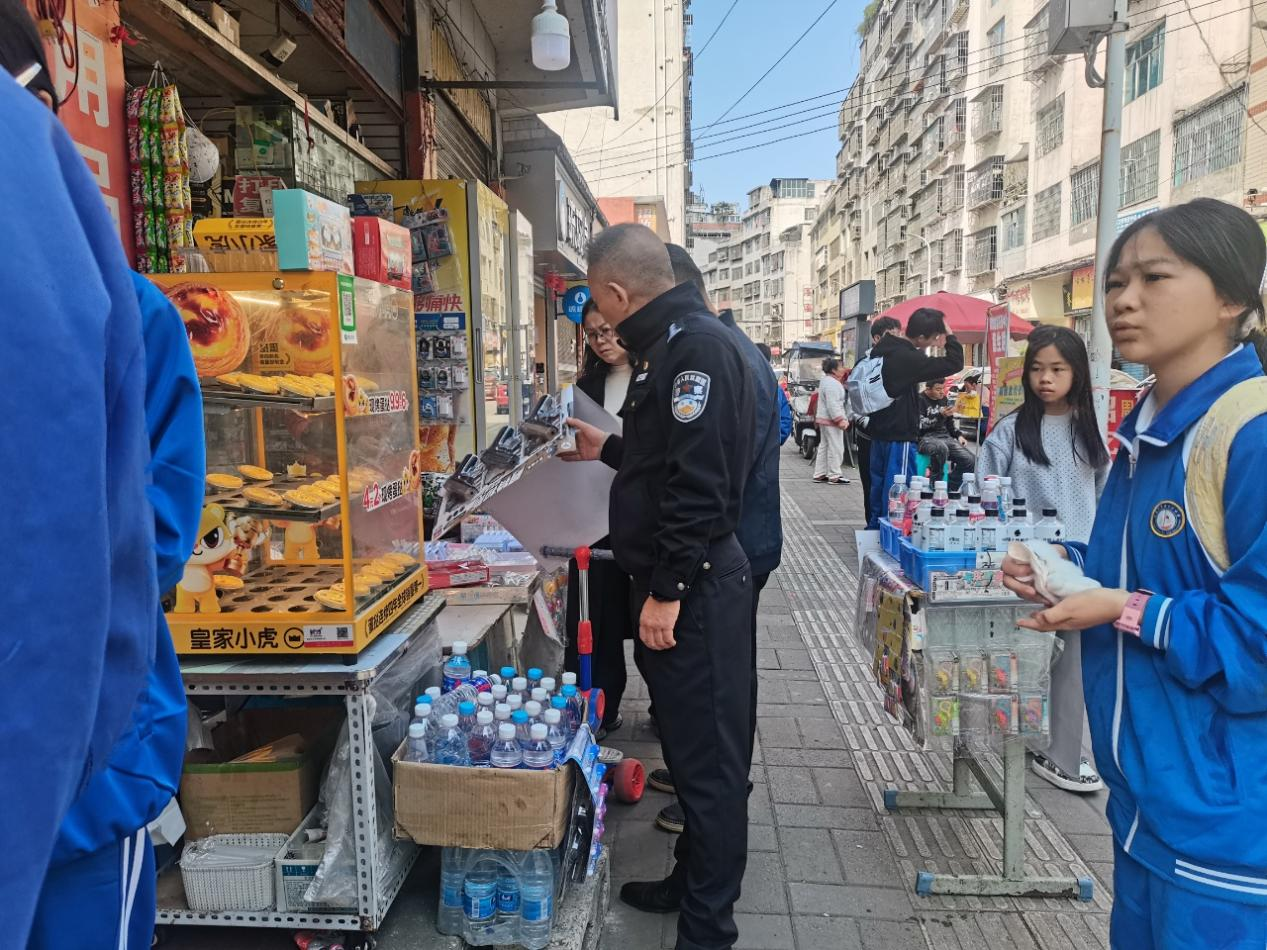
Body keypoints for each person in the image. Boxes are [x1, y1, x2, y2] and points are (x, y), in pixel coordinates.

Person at [1001, 199, 1267, 949]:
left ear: (1231, 297)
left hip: (1230, 834)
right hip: (1149, 807)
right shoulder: (1147, 429)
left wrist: (1120, 608)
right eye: (1116, 281)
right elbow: (1139, 574)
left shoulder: (1249, 433)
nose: (1122, 300)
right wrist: (1064, 568)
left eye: (1154, 278)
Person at [1, 20, 208, 945]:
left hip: (84, 773)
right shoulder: (125, 305)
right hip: (85, 752)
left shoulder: (129, 309)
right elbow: (150, 541)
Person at [561, 224, 755, 950]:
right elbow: (663, 455)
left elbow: (699, 486)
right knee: (692, 750)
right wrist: (607, 446)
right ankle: (687, 880)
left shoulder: (695, 350)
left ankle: (706, 931)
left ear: (615, 292)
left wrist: (667, 591)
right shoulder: (669, 347)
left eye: (600, 303)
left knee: (709, 769)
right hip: (682, 582)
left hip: (695, 589)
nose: (602, 320)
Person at [648, 244, 784, 838]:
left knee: (718, 691)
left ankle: (714, 797)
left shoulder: (708, 349)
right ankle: (706, 787)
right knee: (722, 685)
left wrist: (672, 577)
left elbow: (707, 472)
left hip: (728, 546)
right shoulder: (730, 345)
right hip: (738, 539)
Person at [976, 325, 1108, 796]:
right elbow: (985, 492)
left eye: (1057, 369)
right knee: (1031, 655)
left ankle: (1062, 752)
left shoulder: (1089, 430)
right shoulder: (1010, 431)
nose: (1045, 379)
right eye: (1037, 369)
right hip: (1027, 564)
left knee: (1072, 661)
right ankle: (1034, 744)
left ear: (1077, 373)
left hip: (1079, 562)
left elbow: (1103, 495)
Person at [564, 298, 634, 739]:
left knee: (649, 620)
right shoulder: (585, 386)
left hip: (642, 517)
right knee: (595, 619)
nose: (602, 341)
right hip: (592, 515)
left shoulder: (655, 377)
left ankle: (666, 713)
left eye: (608, 330)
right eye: (592, 334)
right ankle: (600, 710)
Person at [864, 308, 964, 527]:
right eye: (934, 337)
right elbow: (955, 363)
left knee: (878, 488)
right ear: (920, 337)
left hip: (878, 433)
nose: (935, 341)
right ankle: (892, 535)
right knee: (898, 492)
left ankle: (874, 531)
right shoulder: (909, 357)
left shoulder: (882, 351)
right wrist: (949, 335)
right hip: (898, 436)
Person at [853, 317, 902, 525]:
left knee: (895, 485)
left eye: (899, 336)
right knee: (873, 484)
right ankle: (872, 527)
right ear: (876, 338)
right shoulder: (864, 366)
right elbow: (854, 403)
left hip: (895, 437)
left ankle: (891, 527)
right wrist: (869, 424)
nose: (897, 341)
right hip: (870, 438)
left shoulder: (903, 363)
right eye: (891, 336)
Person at [916, 378, 975, 489]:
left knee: (970, 460)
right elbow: (921, 425)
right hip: (925, 438)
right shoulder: (919, 400)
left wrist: (958, 435)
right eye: (938, 389)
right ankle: (935, 485)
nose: (942, 392)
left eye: (943, 388)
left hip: (945, 437)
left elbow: (949, 423)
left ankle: (951, 486)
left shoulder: (944, 399)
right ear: (928, 389)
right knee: (941, 448)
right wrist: (940, 415)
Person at [812, 357, 850, 484]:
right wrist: (840, 420)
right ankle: (834, 475)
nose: (843, 369)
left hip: (824, 419)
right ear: (834, 370)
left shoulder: (826, 381)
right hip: (832, 421)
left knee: (824, 446)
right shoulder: (833, 384)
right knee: (836, 447)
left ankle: (819, 473)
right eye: (840, 367)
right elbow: (833, 404)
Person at [756, 342, 794, 445]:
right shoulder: (776, 388)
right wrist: (775, 440)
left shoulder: (744, 383)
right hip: (770, 448)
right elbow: (785, 420)